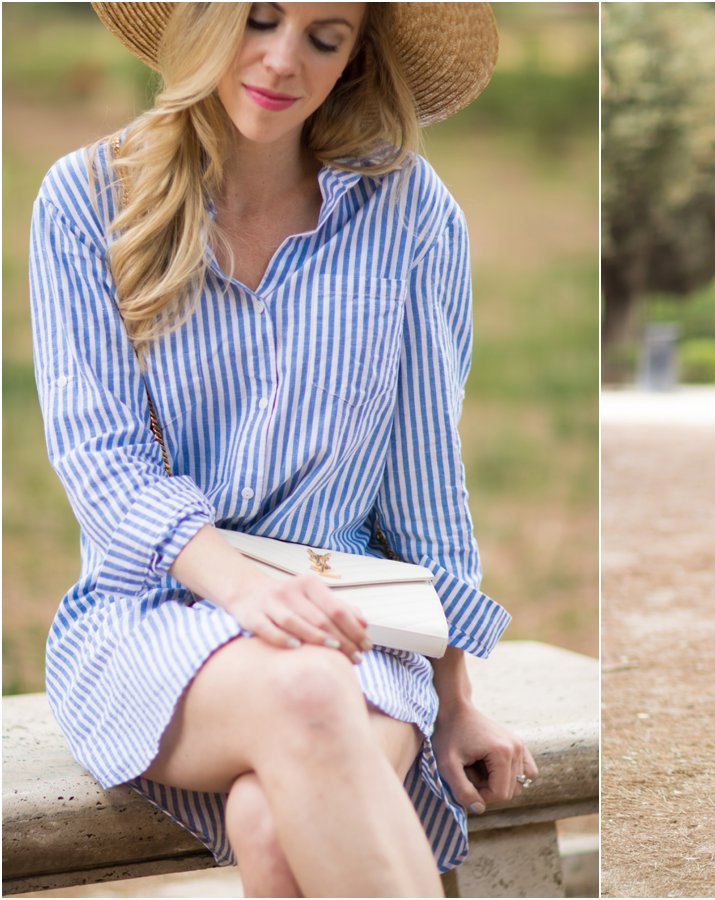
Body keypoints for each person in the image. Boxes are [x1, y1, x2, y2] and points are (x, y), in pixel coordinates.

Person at [29, 3, 536, 895]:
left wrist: (454, 699)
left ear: (356, 56)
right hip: (150, 617)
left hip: (353, 623)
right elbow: (100, 457)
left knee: (271, 824)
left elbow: (426, 480)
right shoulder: (85, 199)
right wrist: (246, 591)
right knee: (305, 692)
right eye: (258, 18)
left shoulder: (410, 214)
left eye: (323, 36)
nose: (280, 59)